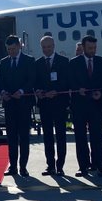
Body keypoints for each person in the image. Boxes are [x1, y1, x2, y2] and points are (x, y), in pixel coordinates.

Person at [69, 35, 102, 177]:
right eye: (90, 48)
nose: (93, 50)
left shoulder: (101, 62)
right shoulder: (74, 63)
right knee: (80, 137)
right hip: (79, 105)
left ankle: (100, 165)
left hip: (96, 105)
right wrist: (77, 89)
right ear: (84, 47)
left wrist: (101, 93)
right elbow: (70, 81)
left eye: (94, 48)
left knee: (98, 136)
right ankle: (83, 166)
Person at [0, 35, 35, 177]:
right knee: (11, 137)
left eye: (13, 49)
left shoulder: (29, 60)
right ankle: (13, 166)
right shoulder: (4, 62)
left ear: (19, 46)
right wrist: (3, 92)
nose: (11, 52)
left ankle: (23, 167)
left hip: (24, 104)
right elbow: (1, 81)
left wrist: (21, 91)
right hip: (9, 104)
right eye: (8, 49)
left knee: (24, 137)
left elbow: (31, 80)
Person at [34, 35, 70, 176]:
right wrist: (39, 91)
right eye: (44, 47)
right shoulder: (38, 63)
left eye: (49, 47)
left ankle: (60, 166)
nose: (46, 49)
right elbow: (36, 82)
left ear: (54, 46)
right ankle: (50, 165)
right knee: (47, 136)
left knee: (61, 136)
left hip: (59, 103)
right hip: (45, 104)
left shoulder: (63, 61)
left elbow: (66, 81)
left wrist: (56, 91)